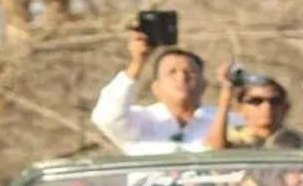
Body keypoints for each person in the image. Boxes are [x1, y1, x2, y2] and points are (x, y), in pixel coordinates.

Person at [89, 30, 244, 167]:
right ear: (156, 88)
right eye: (172, 72)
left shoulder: (230, 122)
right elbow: (106, 116)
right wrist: (138, 62)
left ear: (203, 85)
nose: (182, 78)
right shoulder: (139, 122)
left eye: (190, 73)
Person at [204, 64, 303, 152]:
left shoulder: (300, 141)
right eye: (256, 101)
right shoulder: (235, 137)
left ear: (285, 108)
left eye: (275, 101)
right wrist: (226, 92)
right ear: (241, 108)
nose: (267, 107)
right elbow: (216, 149)